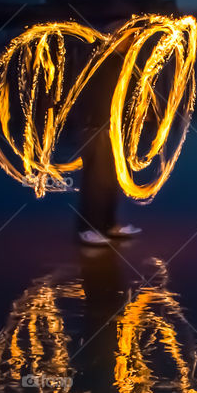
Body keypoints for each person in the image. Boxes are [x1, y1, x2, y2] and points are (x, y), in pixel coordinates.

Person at [74, 30, 142, 246]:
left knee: (110, 182)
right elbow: (91, 95)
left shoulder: (122, 62)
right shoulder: (100, 61)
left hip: (112, 130)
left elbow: (125, 94)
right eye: (128, 38)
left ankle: (109, 225)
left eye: (132, 38)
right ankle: (88, 229)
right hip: (95, 129)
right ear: (114, 38)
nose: (131, 41)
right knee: (95, 183)